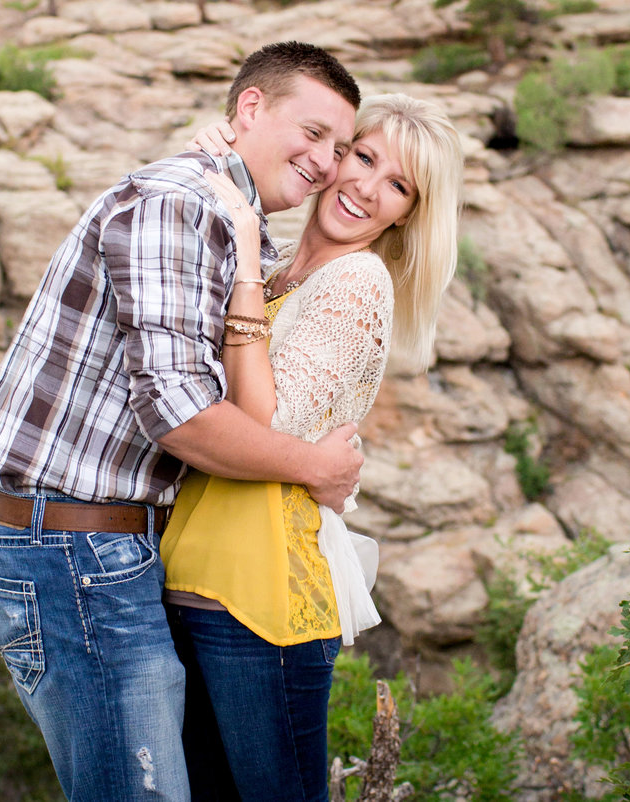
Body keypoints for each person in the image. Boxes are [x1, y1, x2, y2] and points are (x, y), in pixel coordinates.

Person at [0, 42, 364, 802]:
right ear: (249, 109)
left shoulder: (226, 216)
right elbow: (179, 416)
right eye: (311, 134)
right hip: (70, 549)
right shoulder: (179, 204)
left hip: (108, 548)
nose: (326, 163)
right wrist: (315, 467)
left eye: (340, 148)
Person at [160, 93, 464, 802]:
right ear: (332, 157)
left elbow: (264, 424)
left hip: (264, 601)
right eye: (363, 157)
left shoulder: (356, 282)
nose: (365, 186)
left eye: (398, 186)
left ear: (406, 216)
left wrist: (239, 254)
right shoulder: (277, 273)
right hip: (193, 582)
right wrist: (222, 160)